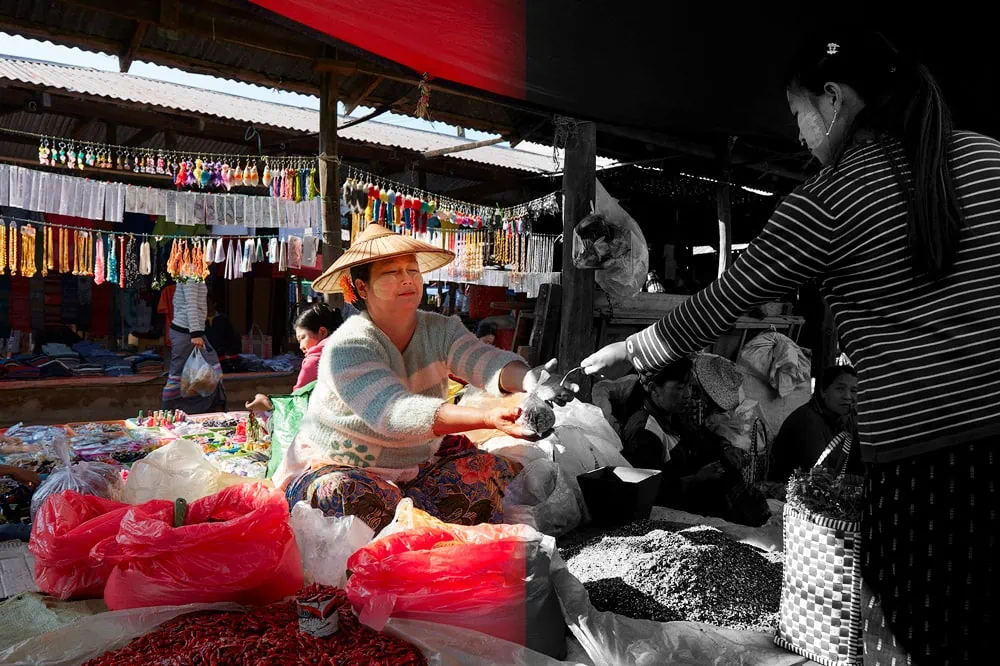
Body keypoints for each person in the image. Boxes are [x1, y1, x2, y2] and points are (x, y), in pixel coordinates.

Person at [582, 30, 999, 664]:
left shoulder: (832, 197)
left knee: (921, 637)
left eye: (798, 113)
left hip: (925, 468)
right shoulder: (988, 158)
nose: (801, 134)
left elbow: (726, 299)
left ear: (832, 100)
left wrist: (627, 352)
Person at [275, 223, 576, 533]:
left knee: (492, 472)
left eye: (412, 270)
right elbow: (394, 412)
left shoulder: (439, 329)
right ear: (362, 288)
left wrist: (530, 381)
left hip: (415, 468)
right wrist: (486, 417)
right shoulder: (348, 346)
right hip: (343, 466)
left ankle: (410, 518)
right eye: (391, 272)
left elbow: (483, 360)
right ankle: (411, 520)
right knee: (339, 494)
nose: (407, 279)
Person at [769, 365, 860, 483]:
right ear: (823, 391)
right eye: (840, 389)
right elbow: (820, 475)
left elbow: (857, 463)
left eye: (853, 391)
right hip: (792, 493)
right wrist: (860, 481)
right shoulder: (808, 421)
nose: (848, 397)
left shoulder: (845, 420)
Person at [245, 302, 343, 412]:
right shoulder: (347, 348)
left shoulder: (315, 360)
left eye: (303, 338)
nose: (301, 346)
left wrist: (266, 404)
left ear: (322, 332)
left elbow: (296, 402)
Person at [161, 279, 226, 414]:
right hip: (186, 332)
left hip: (191, 332)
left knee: (212, 370)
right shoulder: (191, 274)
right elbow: (191, 305)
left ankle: (210, 409)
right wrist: (195, 334)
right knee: (177, 375)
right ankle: (166, 410)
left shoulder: (194, 274)